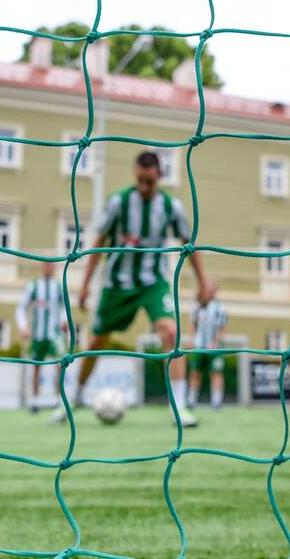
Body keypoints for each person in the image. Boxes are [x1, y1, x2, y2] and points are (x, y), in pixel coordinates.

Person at [52, 151, 209, 427]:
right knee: (96, 343)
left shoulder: (171, 207)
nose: (144, 187)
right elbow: (99, 243)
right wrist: (86, 284)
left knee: (171, 333)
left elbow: (189, 245)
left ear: (159, 176)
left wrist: (204, 282)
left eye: (149, 181)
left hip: (153, 281)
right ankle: (74, 397)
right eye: (139, 181)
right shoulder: (119, 203)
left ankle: (179, 406)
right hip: (117, 285)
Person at [16, 260, 68, 413]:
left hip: (55, 334)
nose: (48, 268)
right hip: (38, 334)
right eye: (46, 265)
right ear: (42, 267)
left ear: (54, 268)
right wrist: (23, 327)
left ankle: (58, 401)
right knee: (36, 367)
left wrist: (65, 321)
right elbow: (21, 307)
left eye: (51, 265)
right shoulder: (33, 286)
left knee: (60, 366)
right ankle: (35, 401)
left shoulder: (58, 287)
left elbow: (65, 306)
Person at [187, 279, 227, 411]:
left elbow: (222, 328)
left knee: (216, 373)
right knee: (194, 372)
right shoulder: (197, 307)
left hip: (215, 349)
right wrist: (190, 339)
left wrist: (216, 342)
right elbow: (193, 325)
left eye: (213, 288)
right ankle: (191, 400)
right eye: (208, 288)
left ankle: (216, 401)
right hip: (199, 347)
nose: (210, 291)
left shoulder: (220, 308)